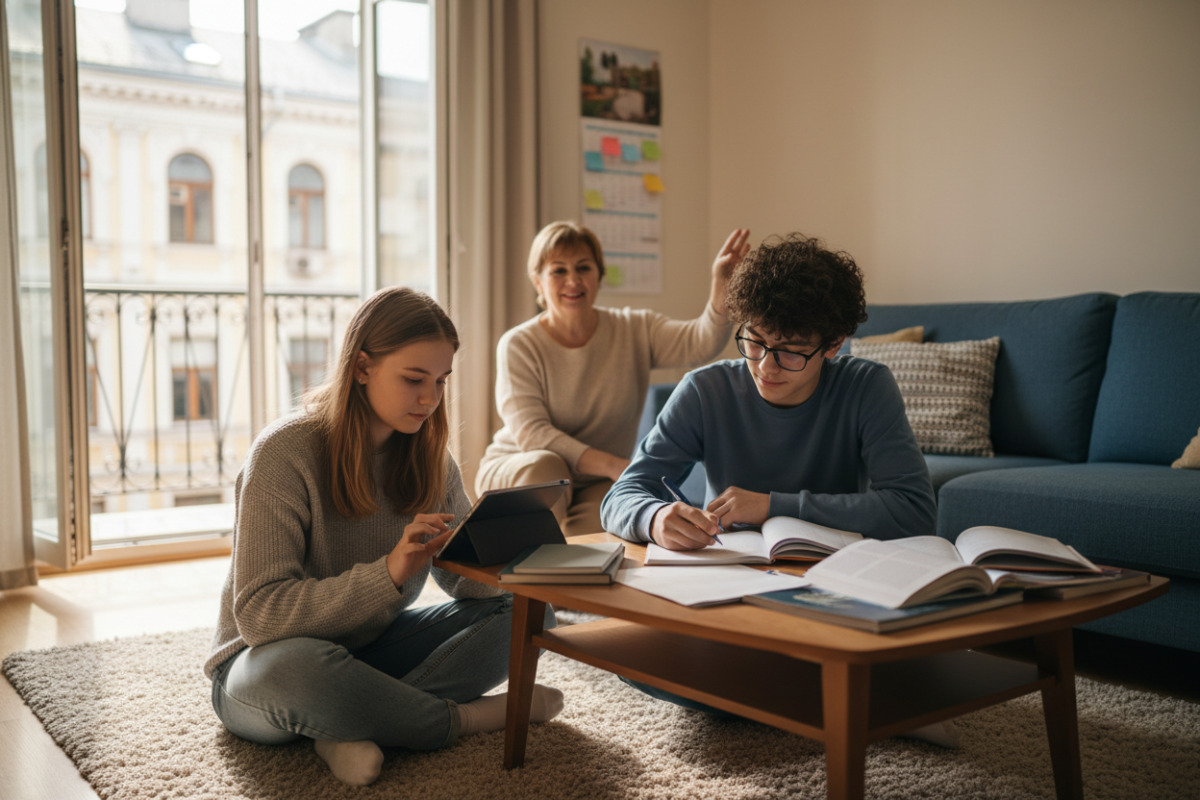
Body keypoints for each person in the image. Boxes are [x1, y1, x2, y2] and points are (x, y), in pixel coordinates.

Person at [598, 233, 954, 745]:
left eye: (789, 352)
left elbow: (915, 511)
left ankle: (792, 693)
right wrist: (656, 518)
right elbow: (621, 495)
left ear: (832, 345)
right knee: (634, 653)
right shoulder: (705, 390)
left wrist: (772, 507)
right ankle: (846, 697)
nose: (766, 366)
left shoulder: (866, 387)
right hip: (735, 590)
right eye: (756, 340)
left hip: (836, 591)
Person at [204, 287, 564, 787]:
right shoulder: (284, 453)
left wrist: (497, 552)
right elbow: (261, 616)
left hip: (370, 649)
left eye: (440, 381)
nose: (430, 398)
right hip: (264, 663)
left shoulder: (430, 457)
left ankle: (345, 724)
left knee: (531, 614)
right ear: (362, 367)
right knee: (297, 671)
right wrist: (388, 574)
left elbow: (470, 591)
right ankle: (463, 719)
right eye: (414, 379)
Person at [476, 221, 751, 537]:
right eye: (558, 271)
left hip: (596, 482)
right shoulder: (519, 344)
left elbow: (700, 342)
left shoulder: (633, 329)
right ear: (538, 282)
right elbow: (533, 435)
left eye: (583, 267)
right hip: (522, 469)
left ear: (599, 275)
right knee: (547, 466)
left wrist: (720, 290)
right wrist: (615, 465)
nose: (573, 280)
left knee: (604, 538)